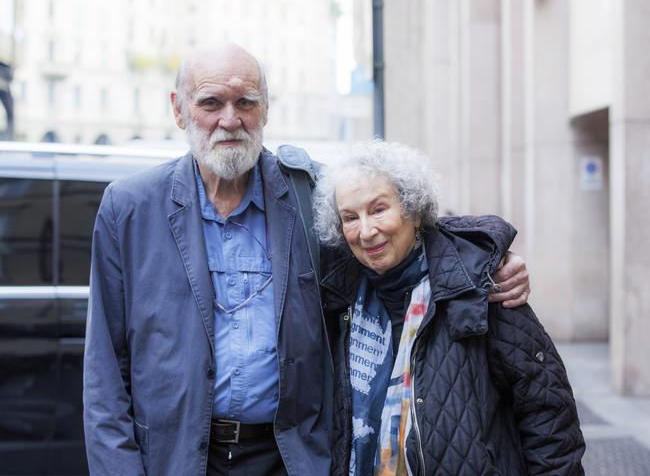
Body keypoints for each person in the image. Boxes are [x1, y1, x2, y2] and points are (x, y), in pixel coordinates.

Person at [82, 44, 531, 476]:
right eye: (210, 102)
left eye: (246, 101)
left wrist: (491, 255)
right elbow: (104, 375)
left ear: (266, 109)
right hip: (175, 458)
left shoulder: (310, 194)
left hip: (292, 458)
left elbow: (403, 232)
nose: (230, 119)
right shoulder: (130, 208)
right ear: (179, 109)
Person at [313, 140, 585, 475]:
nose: (366, 231)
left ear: (413, 209)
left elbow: (547, 413)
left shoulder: (478, 285)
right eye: (350, 217)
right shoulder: (338, 297)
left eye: (379, 209)